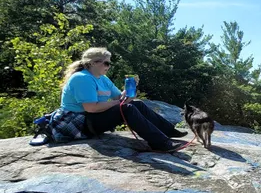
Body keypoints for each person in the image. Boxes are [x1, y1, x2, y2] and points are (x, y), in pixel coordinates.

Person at [58, 47, 187, 151]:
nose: (108, 66)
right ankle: (162, 144)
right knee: (127, 109)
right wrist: (119, 102)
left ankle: (169, 132)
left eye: (109, 63)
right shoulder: (82, 78)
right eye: (106, 63)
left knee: (137, 104)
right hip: (78, 123)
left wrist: (131, 89)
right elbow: (91, 108)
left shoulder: (103, 78)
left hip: (91, 119)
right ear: (92, 63)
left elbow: (121, 98)